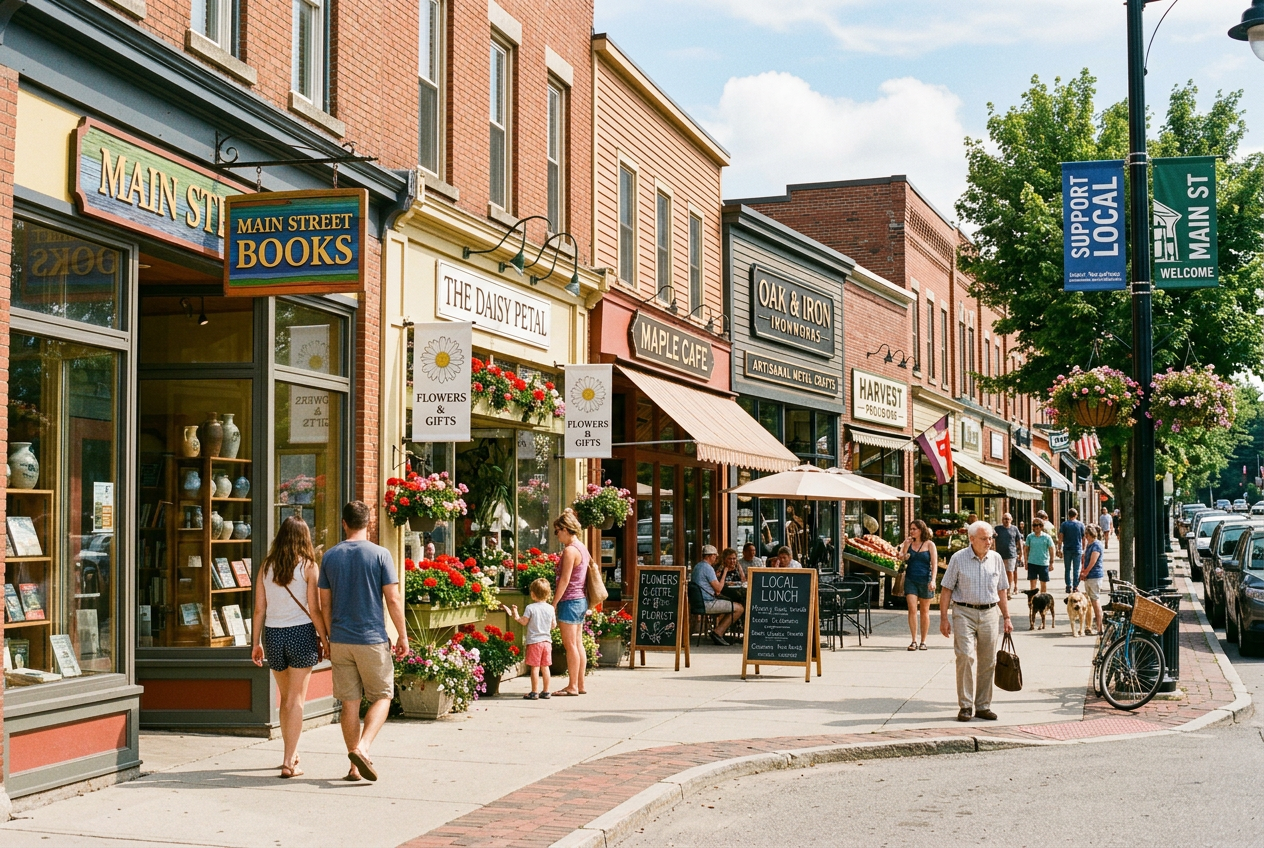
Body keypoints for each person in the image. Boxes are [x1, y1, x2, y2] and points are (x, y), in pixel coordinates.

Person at [319, 501, 408, 783]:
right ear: (368, 523)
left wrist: (328, 637)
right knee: (383, 695)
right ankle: (363, 748)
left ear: (344, 523)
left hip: (341, 639)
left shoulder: (330, 557)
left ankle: (354, 767)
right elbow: (392, 599)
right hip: (371, 638)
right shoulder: (381, 554)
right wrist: (403, 636)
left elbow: (324, 605)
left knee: (349, 704)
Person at [251, 516, 326, 778]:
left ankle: (290, 753)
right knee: (296, 701)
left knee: (286, 700)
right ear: (304, 537)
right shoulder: (308, 567)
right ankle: (288, 761)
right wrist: (325, 639)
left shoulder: (266, 567)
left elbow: (260, 608)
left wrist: (255, 643)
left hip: (273, 635)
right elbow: (315, 609)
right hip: (301, 634)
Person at [939, 521, 1014, 722]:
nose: (988, 542)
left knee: (988, 661)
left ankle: (982, 706)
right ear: (971, 539)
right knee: (964, 656)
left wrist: (1006, 617)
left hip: (990, 612)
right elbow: (946, 589)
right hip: (964, 611)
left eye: (990, 538)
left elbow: (1002, 590)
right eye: (984, 538)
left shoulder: (996, 559)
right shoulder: (958, 558)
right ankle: (965, 705)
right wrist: (944, 618)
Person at [552, 508, 592, 696]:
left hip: (569, 601)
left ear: (566, 529)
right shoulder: (582, 547)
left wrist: (553, 604)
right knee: (578, 643)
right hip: (581, 600)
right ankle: (580, 684)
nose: (557, 535)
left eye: (557, 530)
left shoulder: (569, 551)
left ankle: (572, 686)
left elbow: (564, 581)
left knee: (571, 645)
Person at [510, 578, 556, 700]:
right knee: (545, 667)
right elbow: (553, 625)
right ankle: (546, 691)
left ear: (533, 594)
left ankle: (534, 692)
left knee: (535, 667)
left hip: (534, 642)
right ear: (548, 594)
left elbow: (524, 622)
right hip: (547, 642)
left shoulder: (530, 608)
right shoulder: (550, 608)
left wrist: (516, 615)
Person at [898, 519, 938, 651]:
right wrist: (905, 546)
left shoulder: (930, 544)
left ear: (921, 530)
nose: (911, 531)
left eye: (914, 529)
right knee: (912, 609)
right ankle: (914, 640)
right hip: (911, 579)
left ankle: (923, 641)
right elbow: (901, 557)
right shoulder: (908, 543)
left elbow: (934, 564)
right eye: (911, 529)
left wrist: (933, 580)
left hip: (925, 580)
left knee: (925, 611)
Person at [693, 544, 744, 645]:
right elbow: (718, 590)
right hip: (708, 602)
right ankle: (718, 632)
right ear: (710, 556)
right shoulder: (708, 568)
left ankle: (719, 631)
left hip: (700, 602)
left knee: (732, 604)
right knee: (740, 608)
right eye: (715, 556)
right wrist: (724, 572)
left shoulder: (698, 566)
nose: (716, 558)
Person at [1079, 525, 1106, 635]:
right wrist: (1083, 571)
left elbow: (1093, 561)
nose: (1085, 537)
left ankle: (1100, 628)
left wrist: (1086, 572)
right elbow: (1085, 558)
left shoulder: (1096, 545)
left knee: (1095, 601)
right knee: (1093, 601)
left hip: (1095, 576)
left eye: (1086, 535)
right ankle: (1097, 626)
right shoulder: (1090, 544)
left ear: (1090, 534)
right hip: (1090, 577)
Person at [993, 513, 1024, 599]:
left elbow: (1019, 541)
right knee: (999, 573)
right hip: (999, 554)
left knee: (1010, 572)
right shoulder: (997, 529)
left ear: (1011, 519)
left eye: (1007, 519)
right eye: (1004, 519)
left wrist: (1021, 553)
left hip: (1011, 554)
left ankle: (1008, 591)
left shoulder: (1014, 529)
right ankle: (1000, 590)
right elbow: (992, 539)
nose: (1006, 521)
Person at [1057, 508, 1086, 592]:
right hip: (1077, 549)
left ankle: (1068, 585)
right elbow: (1083, 538)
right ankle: (1075, 586)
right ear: (1076, 515)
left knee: (1067, 568)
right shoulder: (1080, 525)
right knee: (1076, 569)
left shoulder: (1064, 525)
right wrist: (1084, 548)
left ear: (1068, 515)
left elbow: (1061, 537)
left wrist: (1059, 548)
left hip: (1067, 549)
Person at [1024, 517, 1055, 594]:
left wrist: (1051, 563)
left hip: (1043, 563)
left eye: (1039, 525)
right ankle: (1033, 601)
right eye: (1035, 525)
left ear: (1042, 526)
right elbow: (1026, 550)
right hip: (1032, 562)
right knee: (1032, 585)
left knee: (1043, 584)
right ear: (1033, 527)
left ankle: (1043, 601)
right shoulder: (1029, 537)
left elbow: (1052, 550)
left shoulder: (1047, 537)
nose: (1037, 527)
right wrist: (1026, 562)